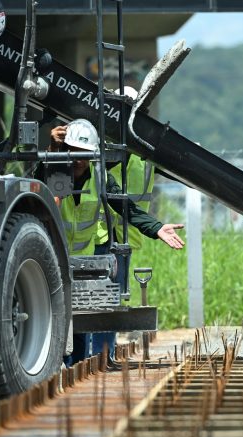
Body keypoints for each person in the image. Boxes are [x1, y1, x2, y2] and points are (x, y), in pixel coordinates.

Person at [50, 118, 184, 366]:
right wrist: (51, 147)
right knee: (61, 318)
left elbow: (126, 208)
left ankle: (77, 371)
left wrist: (157, 228)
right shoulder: (54, 173)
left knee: (82, 318)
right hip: (53, 259)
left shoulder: (100, 177)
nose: (78, 159)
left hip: (85, 261)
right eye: (74, 152)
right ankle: (64, 368)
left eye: (85, 153)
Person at [92, 88, 157, 364]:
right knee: (94, 300)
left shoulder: (146, 153)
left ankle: (104, 355)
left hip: (126, 237)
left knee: (114, 298)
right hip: (98, 235)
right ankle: (92, 357)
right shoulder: (100, 146)